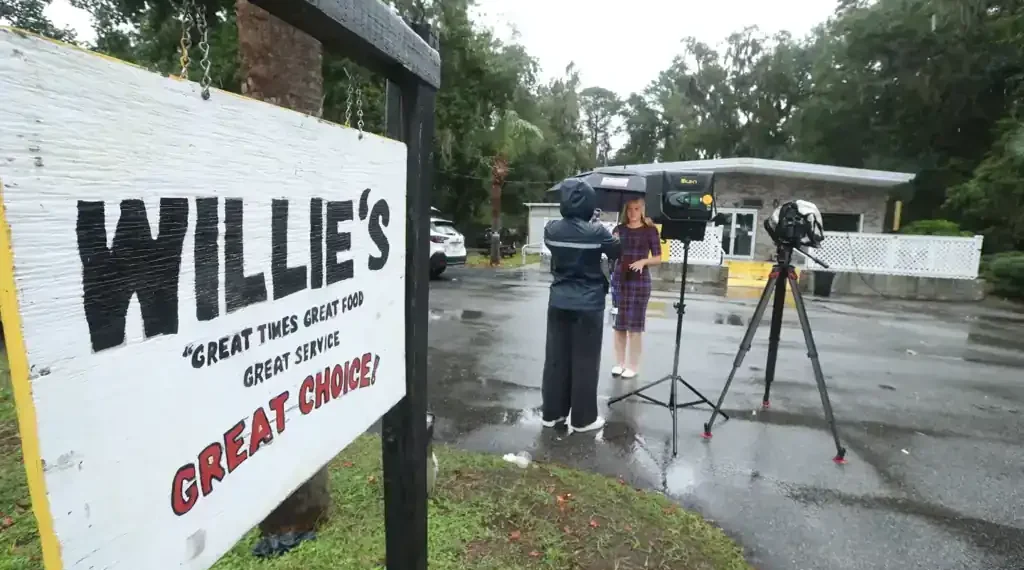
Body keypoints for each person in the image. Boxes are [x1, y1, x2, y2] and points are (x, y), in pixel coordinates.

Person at [541, 178, 621, 433]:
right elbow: (616, 251)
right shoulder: (597, 232)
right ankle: (583, 420)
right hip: (588, 304)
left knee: (556, 360)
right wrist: (604, 229)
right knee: (585, 362)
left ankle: (552, 414)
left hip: (559, 301)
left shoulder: (551, 229)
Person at [610, 198, 662, 378]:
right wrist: (612, 243)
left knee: (635, 325)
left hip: (639, 281)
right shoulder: (619, 230)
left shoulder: (650, 231)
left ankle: (632, 365)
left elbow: (657, 258)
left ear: (642, 210)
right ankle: (619, 363)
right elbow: (610, 254)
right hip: (620, 279)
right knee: (619, 324)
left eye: (636, 209)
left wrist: (643, 261)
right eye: (630, 209)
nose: (633, 212)